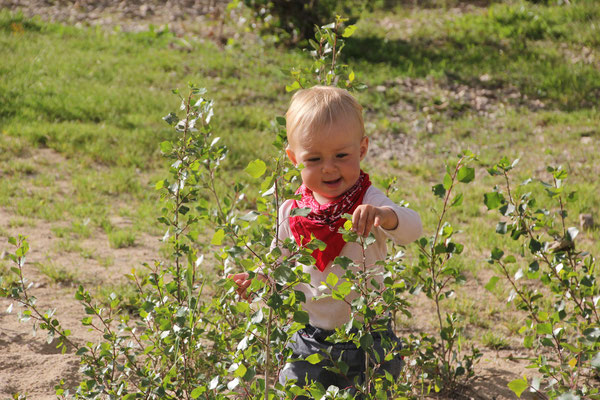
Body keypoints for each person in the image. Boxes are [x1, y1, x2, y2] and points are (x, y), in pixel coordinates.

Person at [229, 85, 422, 395]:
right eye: (314, 158)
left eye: (341, 155)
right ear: (294, 157)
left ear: (361, 150)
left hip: (368, 337)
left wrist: (387, 216)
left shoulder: (367, 201)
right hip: (310, 338)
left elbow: (413, 229)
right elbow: (281, 263)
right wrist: (259, 277)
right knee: (297, 389)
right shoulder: (292, 211)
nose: (329, 167)